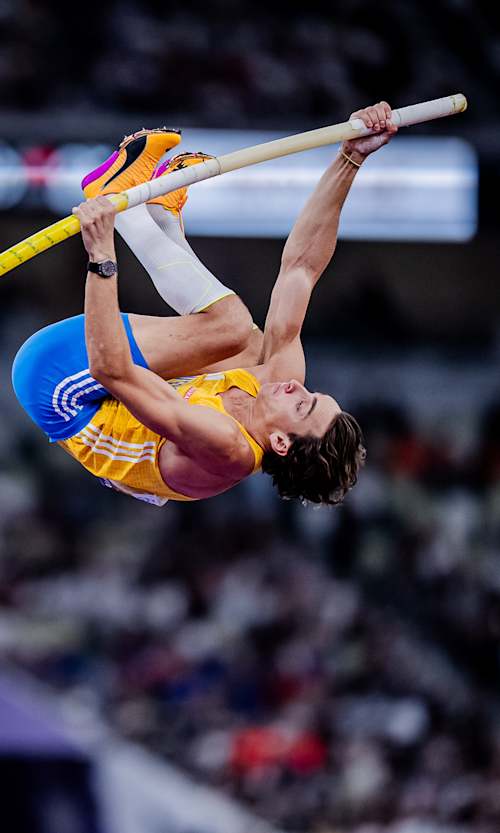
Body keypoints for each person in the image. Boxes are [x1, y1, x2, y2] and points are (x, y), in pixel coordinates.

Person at [12, 103, 397, 507]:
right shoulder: (279, 382)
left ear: (281, 442)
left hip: (59, 385)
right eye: (314, 393)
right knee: (250, 344)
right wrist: (351, 157)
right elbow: (301, 268)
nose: (297, 386)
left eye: (302, 405)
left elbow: (110, 369)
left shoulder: (227, 447)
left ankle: (119, 200)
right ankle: (160, 220)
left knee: (228, 326)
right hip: (111, 391)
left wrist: (102, 254)